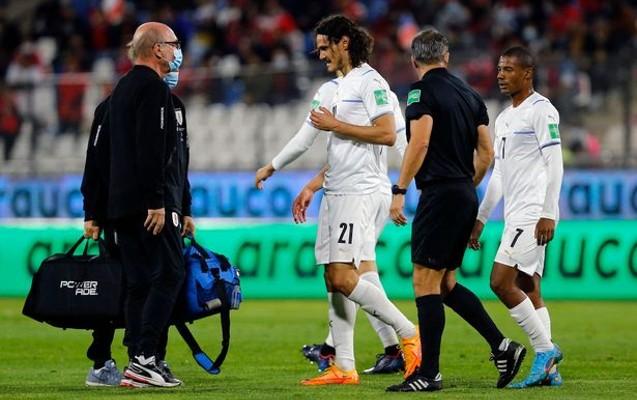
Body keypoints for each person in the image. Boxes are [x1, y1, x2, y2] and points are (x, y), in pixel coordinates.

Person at [258, 15, 421, 386]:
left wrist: (402, 187)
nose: (320, 55)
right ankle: (344, 366)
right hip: (337, 190)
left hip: (360, 192)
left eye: (324, 47)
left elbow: (387, 134)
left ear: (344, 42)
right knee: (334, 277)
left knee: (346, 276)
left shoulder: (371, 82)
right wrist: (274, 166)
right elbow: (309, 137)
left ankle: (409, 334)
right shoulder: (335, 88)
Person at [386, 29, 526, 392]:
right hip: (464, 192)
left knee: (424, 281)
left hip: (441, 194)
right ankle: (502, 346)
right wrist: (465, 185)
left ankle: (429, 373)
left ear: (414, 60)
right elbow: (487, 153)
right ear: (446, 57)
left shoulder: (420, 92)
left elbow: (420, 141)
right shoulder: (470, 94)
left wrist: (399, 189)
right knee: (445, 284)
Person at [80, 69, 194, 388]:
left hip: (163, 205)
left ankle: (147, 357)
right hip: (130, 208)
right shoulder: (111, 106)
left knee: (148, 282)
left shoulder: (175, 106)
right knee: (130, 283)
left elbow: (179, 161)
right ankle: (114, 357)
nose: (175, 60)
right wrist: (93, 211)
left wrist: (184, 206)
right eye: (172, 48)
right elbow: (97, 160)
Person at [469, 46, 564, 388]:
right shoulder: (505, 118)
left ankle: (545, 351)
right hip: (515, 214)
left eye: (508, 69)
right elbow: (499, 173)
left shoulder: (542, 110)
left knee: (500, 282)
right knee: (528, 286)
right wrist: (482, 217)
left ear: (527, 74)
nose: (500, 75)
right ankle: (549, 371)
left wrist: (548, 212)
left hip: (533, 212)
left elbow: (555, 163)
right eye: (499, 68)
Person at [106, 22, 188, 388]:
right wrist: (157, 202)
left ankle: (136, 361)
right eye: (173, 44)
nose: (177, 50)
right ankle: (145, 358)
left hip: (121, 203)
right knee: (170, 273)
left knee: (139, 282)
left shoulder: (122, 87)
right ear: (156, 49)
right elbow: (152, 149)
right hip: (148, 204)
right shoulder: (154, 88)